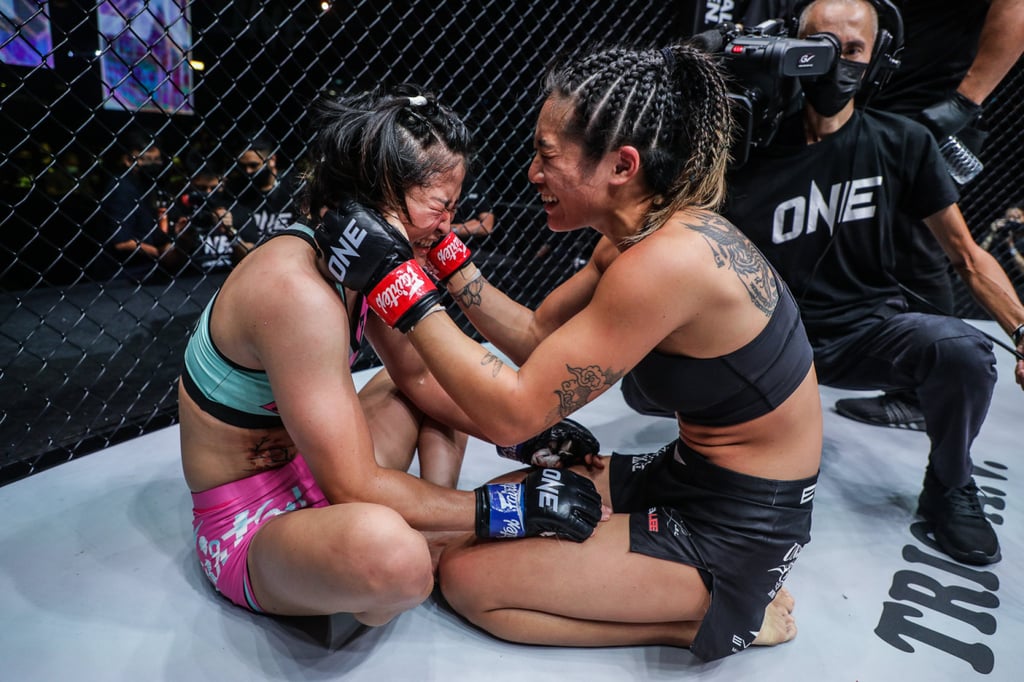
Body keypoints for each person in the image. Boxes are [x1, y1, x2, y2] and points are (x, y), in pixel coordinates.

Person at [328, 45, 823, 661]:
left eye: (547, 155)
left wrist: (400, 285)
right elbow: (538, 337)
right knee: (516, 498)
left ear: (621, 165)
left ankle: (721, 612)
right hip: (689, 474)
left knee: (465, 577)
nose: (532, 172)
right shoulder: (641, 235)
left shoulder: (665, 264)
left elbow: (513, 413)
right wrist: (446, 264)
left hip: (743, 525)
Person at [178, 85, 604, 629]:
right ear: (382, 192)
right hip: (252, 524)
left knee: (447, 375)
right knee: (394, 558)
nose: (449, 224)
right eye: (441, 205)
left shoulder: (361, 259)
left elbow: (424, 376)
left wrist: (525, 436)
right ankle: (422, 538)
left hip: (316, 468)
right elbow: (352, 486)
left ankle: (430, 523)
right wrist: (507, 511)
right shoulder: (295, 289)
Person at [722, 0, 1024, 565]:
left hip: (863, 333)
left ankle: (950, 484)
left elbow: (967, 255)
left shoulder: (902, 142)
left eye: (854, 50)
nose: (837, 62)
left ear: (879, 58)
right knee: (657, 388)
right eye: (823, 45)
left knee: (963, 350)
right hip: (764, 342)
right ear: (795, 49)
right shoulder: (746, 148)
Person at [833, 0, 1024, 428]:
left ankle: (920, 396)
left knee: (920, 240)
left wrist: (964, 103)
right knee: (863, 226)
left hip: (932, 102)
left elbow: (1015, 8)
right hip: (879, 89)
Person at [100, 128, 174, 283]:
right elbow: (121, 243)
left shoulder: (147, 185)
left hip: (147, 271)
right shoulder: (122, 188)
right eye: (146, 159)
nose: (152, 165)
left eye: (156, 160)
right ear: (128, 160)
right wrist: (161, 252)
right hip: (125, 275)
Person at [166, 164, 254, 273]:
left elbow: (252, 256)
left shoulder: (237, 210)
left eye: (213, 188)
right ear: (191, 184)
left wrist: (230, 232)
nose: (208, 193)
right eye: (201, 188)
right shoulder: (177, 211)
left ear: (223, 183)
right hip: (190, 278)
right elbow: (167, 262)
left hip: (230, 275)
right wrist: (184, 240)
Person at [231, 136, 301, 243]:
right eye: (242, 166)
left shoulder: (295, 186)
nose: (248, 171)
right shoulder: (239, 194)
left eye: (253, 165)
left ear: (272, 160)